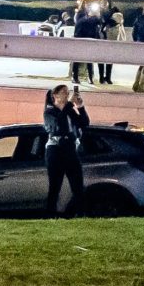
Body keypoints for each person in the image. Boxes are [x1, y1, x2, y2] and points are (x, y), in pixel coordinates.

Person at [43, 83, 89, 217]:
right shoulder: (49, 112)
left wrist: (80, 107)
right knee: (55, 185)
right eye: (63, 92)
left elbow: (84, 123)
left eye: (67, 92)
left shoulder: (69, 110)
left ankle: (81, 214)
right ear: (55, 95)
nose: (67, 94)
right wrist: (68, 106)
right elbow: (58, 126)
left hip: (70, 148)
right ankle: (51, 214)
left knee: (77, 184)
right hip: (55, 150)